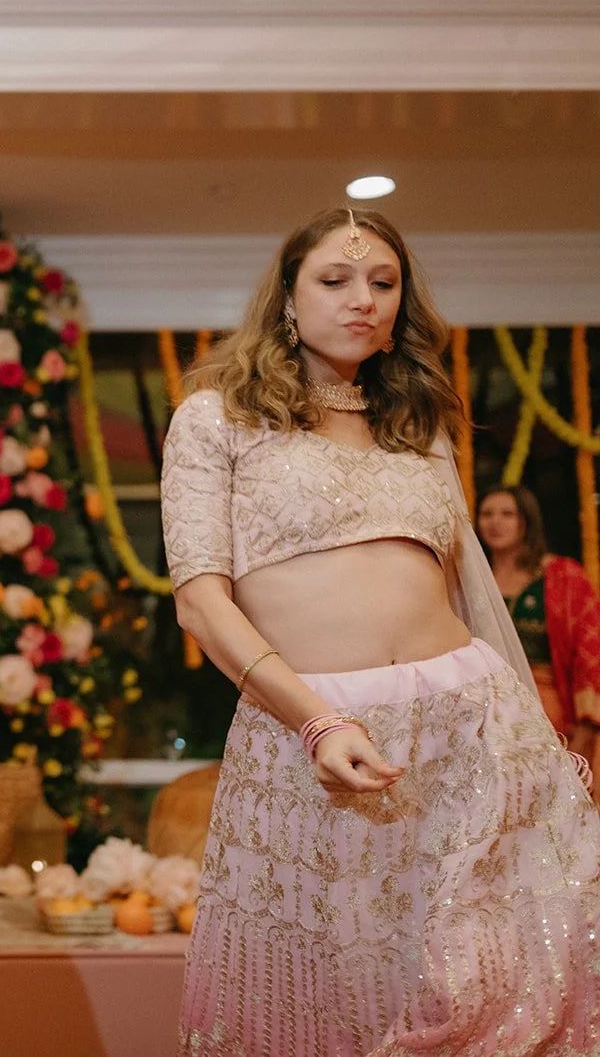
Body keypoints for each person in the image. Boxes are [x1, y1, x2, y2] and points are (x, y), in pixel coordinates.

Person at [161, 209, 600, 1054]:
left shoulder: (418, 425)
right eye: (335, 280)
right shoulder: (217, 419)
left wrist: (540, 743)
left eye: (384, 282)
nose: (363, 298)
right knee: (336, 1002)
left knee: (496, 984)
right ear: (286, 296)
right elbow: (202, 604)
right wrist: (316, 721)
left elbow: (462, 592)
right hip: (311, 737)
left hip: (472, 726)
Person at [478, 484, 600, 767]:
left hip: (548, 707)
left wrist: (586, 728)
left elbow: (591, 654)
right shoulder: (473, 581)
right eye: (487, 514)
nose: (495, 522)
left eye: (508, 514)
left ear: (527, 521)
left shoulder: (562, 576)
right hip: (484, 709)